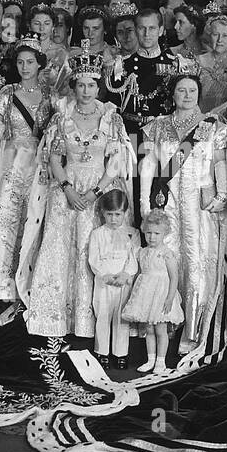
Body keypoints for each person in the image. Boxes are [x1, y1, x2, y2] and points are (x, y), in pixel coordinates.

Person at [21, 51, 135, 338]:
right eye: (81, 85)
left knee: (91, 249)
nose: (86, 91)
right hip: (66, 190)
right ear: (74, 86)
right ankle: (53, 319)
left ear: (99, 87)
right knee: (59, 248)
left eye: (92, 86)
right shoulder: (62, 117)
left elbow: (116, 162)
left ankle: (90, 324)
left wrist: (95, 192)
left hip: (100, 190)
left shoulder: (111, 117)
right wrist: (68, 189)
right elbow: (53, 158)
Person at [137, 74, 227, 358]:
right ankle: (165, 320)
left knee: (194, 260)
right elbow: (147, 164)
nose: (187, 95)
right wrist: (144, 205)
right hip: (165, 202)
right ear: (173, 94)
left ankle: (192, 329)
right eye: (181, 90)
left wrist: (223, 194)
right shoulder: (155, 126)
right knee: (168, 258)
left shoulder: (214, 126)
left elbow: (220, 161)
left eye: (192, 90)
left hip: (198, 204)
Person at [0, 39, 52, 305]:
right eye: (20, 62)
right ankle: (1, 286)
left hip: (37, 162)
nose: (25, 67)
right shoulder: (7, 93)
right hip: (10, 161)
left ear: (39, 64)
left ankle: (28, 282)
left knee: (32, 218)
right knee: (5, 219)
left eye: (30, 62)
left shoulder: (49, 94)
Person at [104, 9, 192, 137]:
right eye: (141, 28)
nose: (146, 34)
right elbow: (112, 108)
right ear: (135, 30)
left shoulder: (176, 65)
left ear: (161, 31)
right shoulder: (121, 66)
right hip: (131, 136)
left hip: (164, 137)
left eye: (152, 28)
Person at [123, 211, 183, 375]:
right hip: (146, 293)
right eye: (149, 232)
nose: (152, 237)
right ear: (144, 231)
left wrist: (170, 297)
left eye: (157, 233)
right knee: (148, 329)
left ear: (165, 233)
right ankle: (150, 359)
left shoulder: (166, 253)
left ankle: (161, 361)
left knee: (160, 330)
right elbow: (137, 272)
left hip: (162, 294)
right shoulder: (142, 252)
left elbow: (174, 277)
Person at [87, 190, 139, 370]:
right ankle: (102, 352)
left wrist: (126, 274)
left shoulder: (132, 233)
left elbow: (134, 257)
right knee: (103, 315)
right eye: (110, 214)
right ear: (102, 212)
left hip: (123, 282)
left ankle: (121, 354)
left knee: (121, 318)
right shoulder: (97, 234)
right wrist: (104, 275)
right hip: (104, 282)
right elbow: (93, 258)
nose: (114, 219)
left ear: (125, 213)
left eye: (118, 214)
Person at [193, 10, 227, 115]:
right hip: (201, 117)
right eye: (215, 34)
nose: (219, 40)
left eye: (225, 36)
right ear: (209, 35)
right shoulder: (198, 60)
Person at [26, 3, 69, 87]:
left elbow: (64, 84)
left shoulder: (60, 52)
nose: (42, 28)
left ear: (53, 26)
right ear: (29, 26)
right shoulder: (23, 50)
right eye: (37, 24)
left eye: (47, 23)